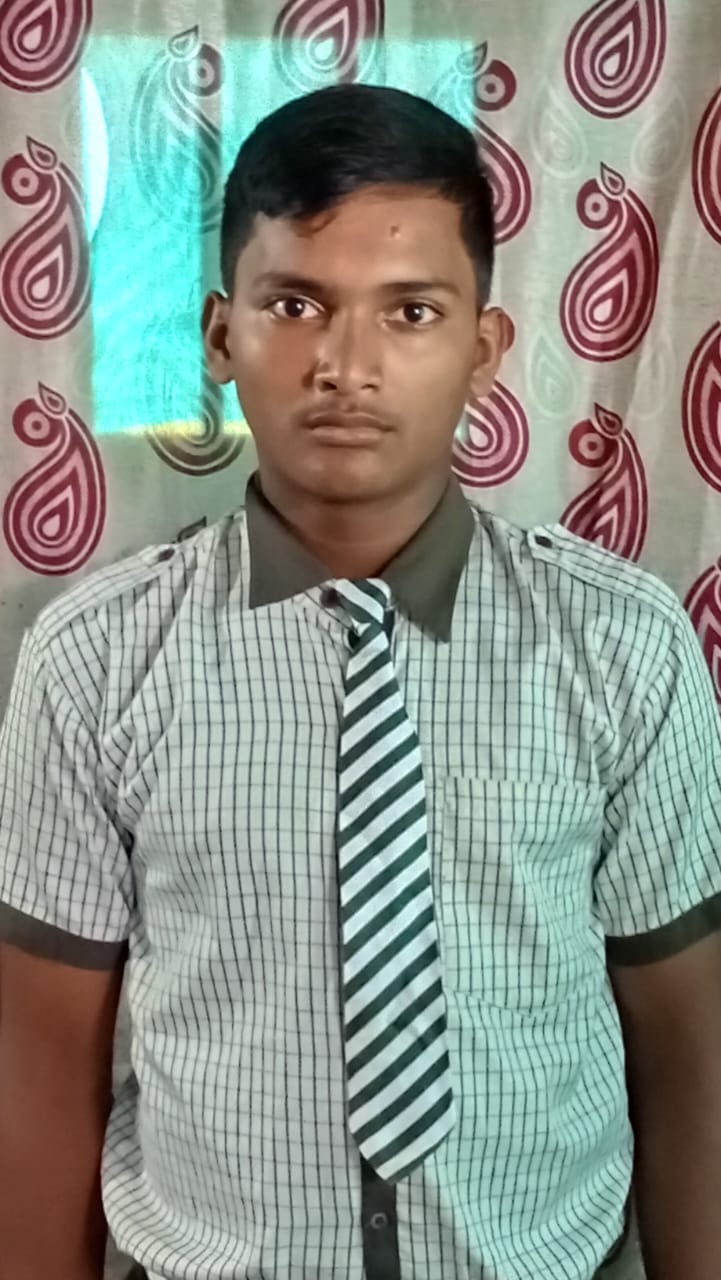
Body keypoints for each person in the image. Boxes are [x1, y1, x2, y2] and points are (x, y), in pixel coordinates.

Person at [0, 82, 720, 1280]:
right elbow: (38, 1055)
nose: (345, 364)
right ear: (220, 336)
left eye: (411, 311)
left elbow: (688, 1043)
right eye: (295, 304)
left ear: (483, 349)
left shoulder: (622, 645)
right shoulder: (93, 659)